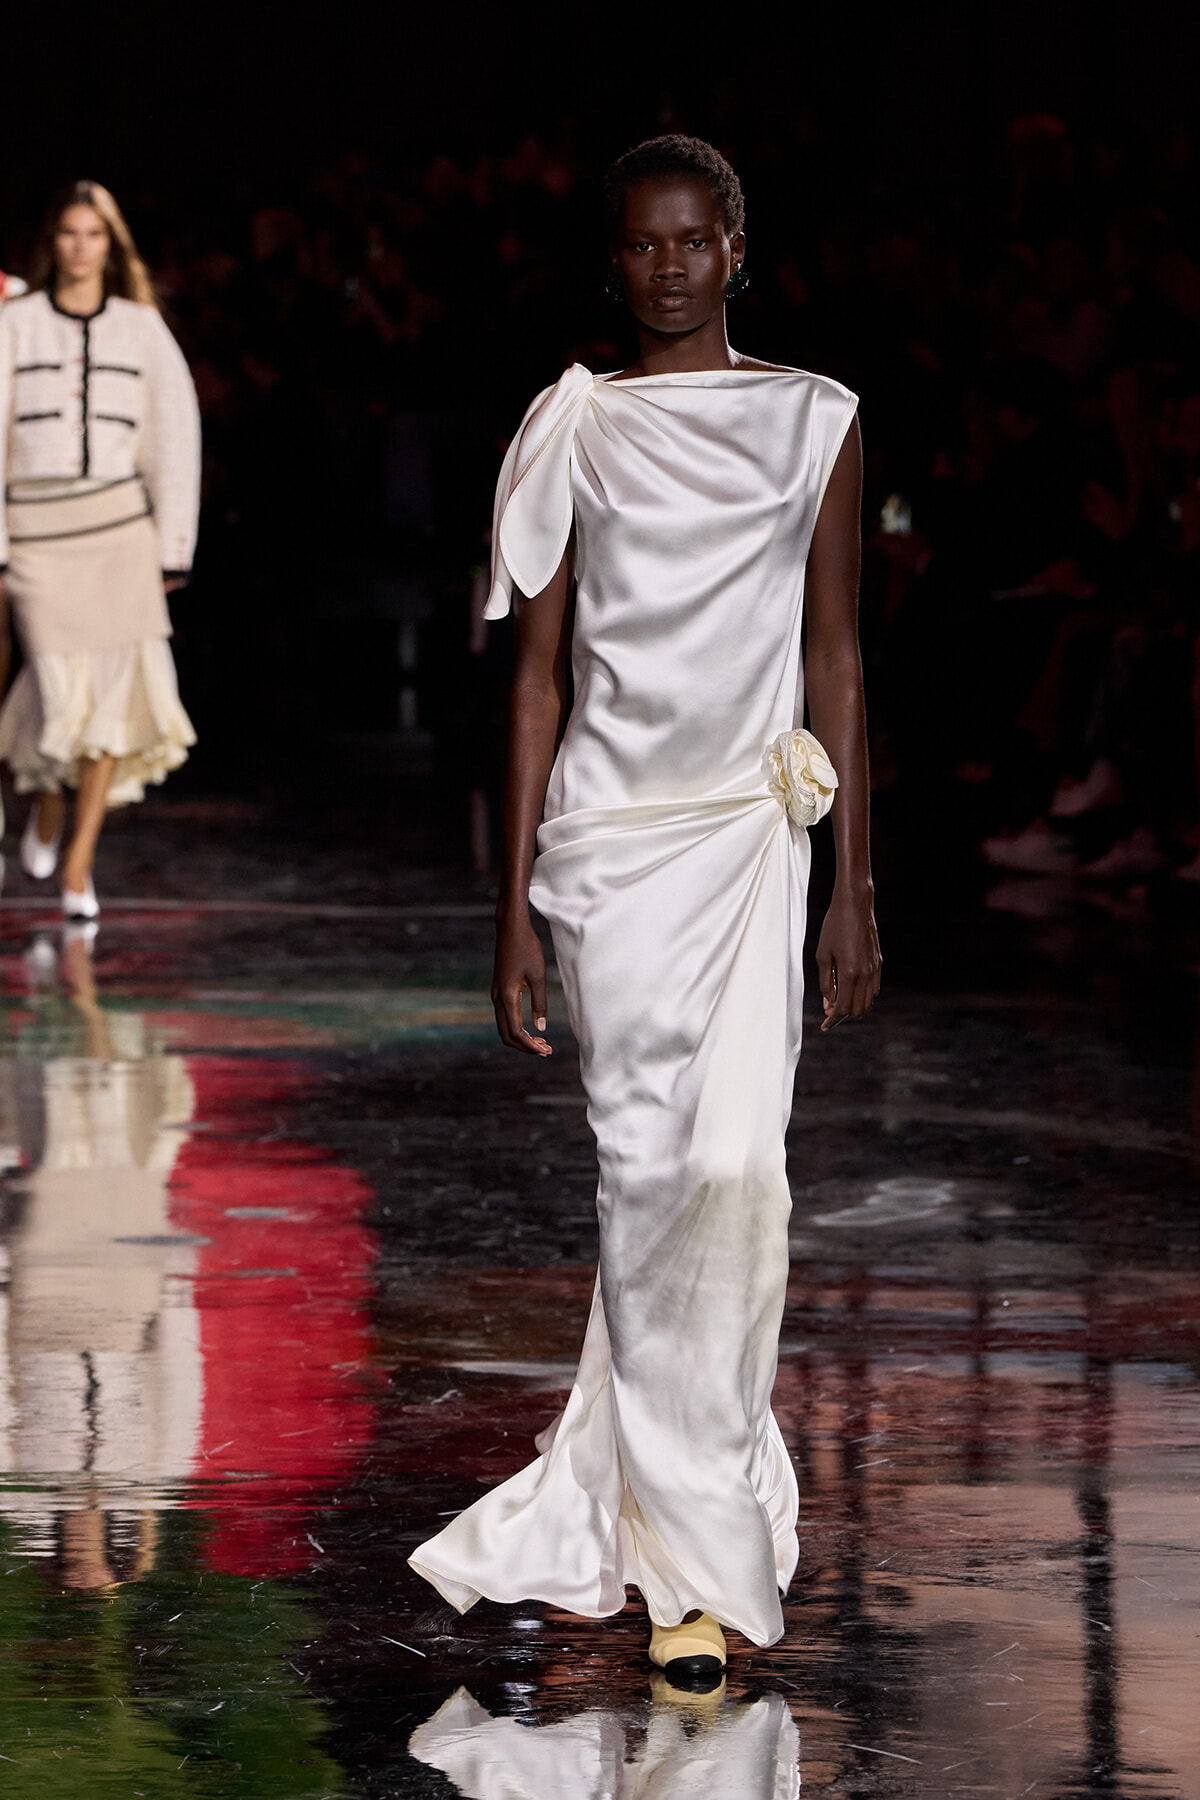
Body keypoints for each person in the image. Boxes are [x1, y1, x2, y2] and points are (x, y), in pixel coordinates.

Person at [410, 136, 880, 1683]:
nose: (668, 265)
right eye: (641, 244)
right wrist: (512, 909)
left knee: (735, 1179)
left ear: (737, 246)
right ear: (613, 263)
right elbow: (535, 680)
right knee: (645, 1190)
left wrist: (856, 883)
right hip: (611, 852)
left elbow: (838, 656)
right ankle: (689, 1564)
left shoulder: (817, 419)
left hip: (748, 842)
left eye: (693, 240)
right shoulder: (580, 425)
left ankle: (686, 1542)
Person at [0, 180, 200, 918]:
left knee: (116, 695)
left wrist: (173, 546)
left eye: (94, 234)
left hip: (120, 531)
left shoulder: (141, 328)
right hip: (38, 535)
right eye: (69, 233)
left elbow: (173, 437)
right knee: (57, 692)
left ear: (111, 246)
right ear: (51, 242)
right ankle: (50, 802)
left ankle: (79, 864)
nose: (80, 248)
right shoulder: (16, 324)